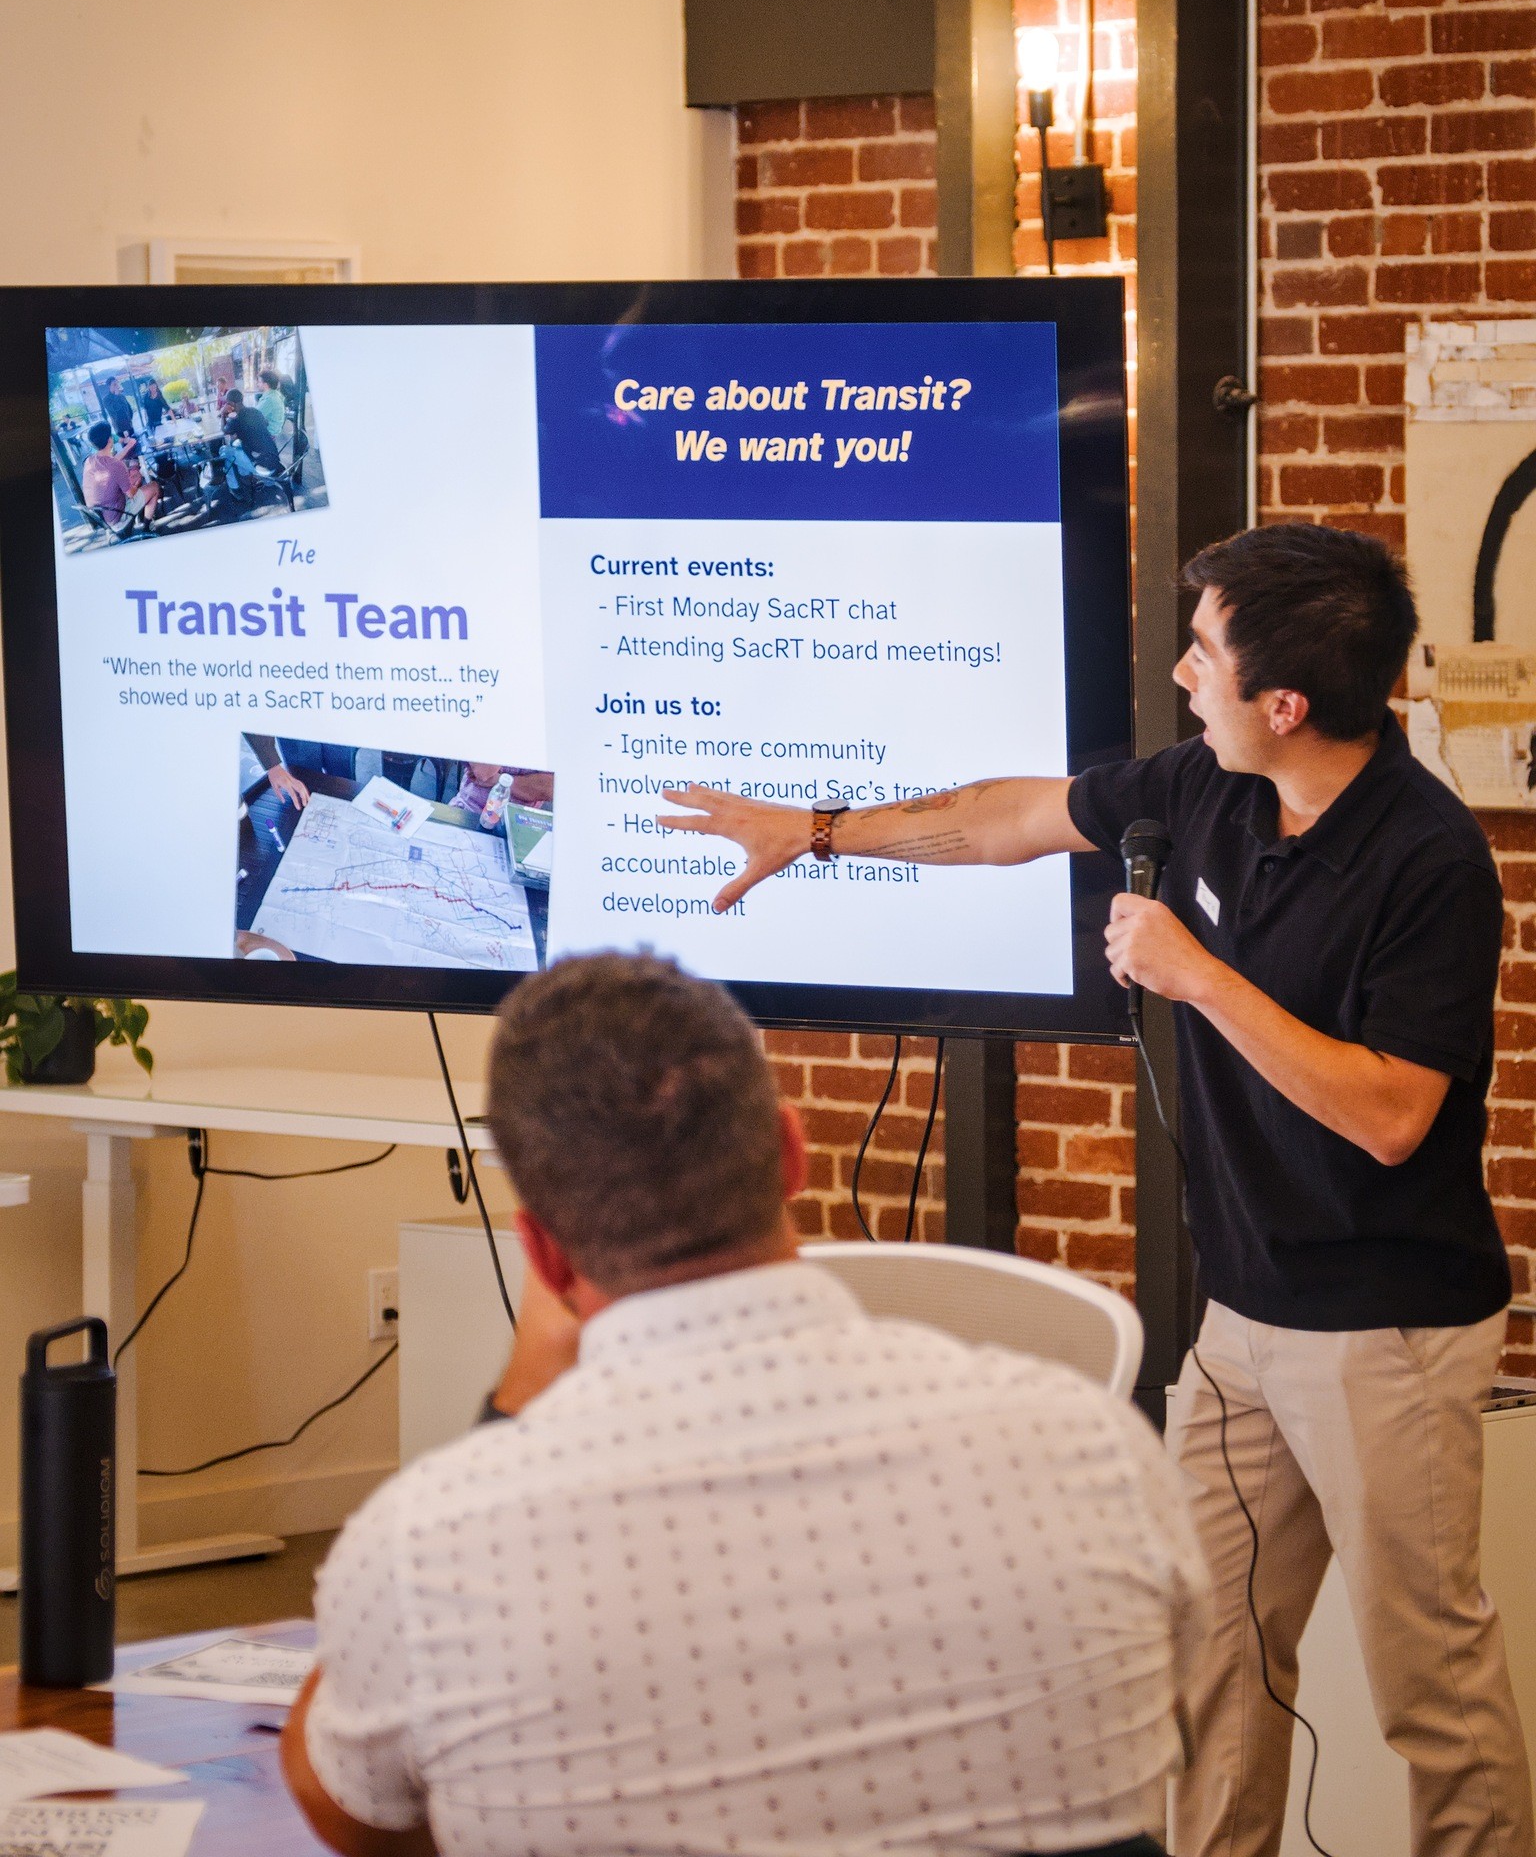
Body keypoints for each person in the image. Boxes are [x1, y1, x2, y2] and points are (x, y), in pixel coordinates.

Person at [660, 521, 1535, 1857]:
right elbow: (1009, 817)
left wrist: (1198, 977)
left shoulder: (1429, 861)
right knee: (1210, 1658)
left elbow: (1392, 1115)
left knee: (1431, 1691)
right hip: (1242, 1317)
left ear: (1285, 705)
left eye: (1204, 655)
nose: (1183, 675)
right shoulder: (1209, 786)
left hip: (1386, 1334)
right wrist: (817, 830)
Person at [283, 951, 1209, 1857]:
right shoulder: (1095, 1446)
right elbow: (1164, 1703)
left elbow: (354, 1809)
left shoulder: (428, 1546)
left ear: (544, 1253)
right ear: (791, 1154)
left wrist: (513, 1405)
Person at [80, 419, 158, 529]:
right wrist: (137, 482)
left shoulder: (89, 460)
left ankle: (140, 514)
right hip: (117, 517)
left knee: (131, 477)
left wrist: (128, 447)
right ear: (110, 440)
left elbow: (112, 464)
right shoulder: (115, 464)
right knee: (154, 486)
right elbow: (131, 494)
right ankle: (147, 527)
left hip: (101, 516)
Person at [221, 386, 283, 477]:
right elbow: (265, 423)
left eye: (227, 403)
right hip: (274, 457)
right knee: (239, 446)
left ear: (232, 404)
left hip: (261, 462)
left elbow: (224, 430)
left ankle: (236, 483)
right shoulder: (255, 411)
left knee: (224, 451)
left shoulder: (235, 420)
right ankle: (246, 476)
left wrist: (223, 414)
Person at [256, 367, 287, 439]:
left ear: (265, 384)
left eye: (259, 382)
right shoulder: (275, 394)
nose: (257, 384)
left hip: (268, 433)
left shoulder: (270, 399)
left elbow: (255, 415)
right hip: (273, 430)